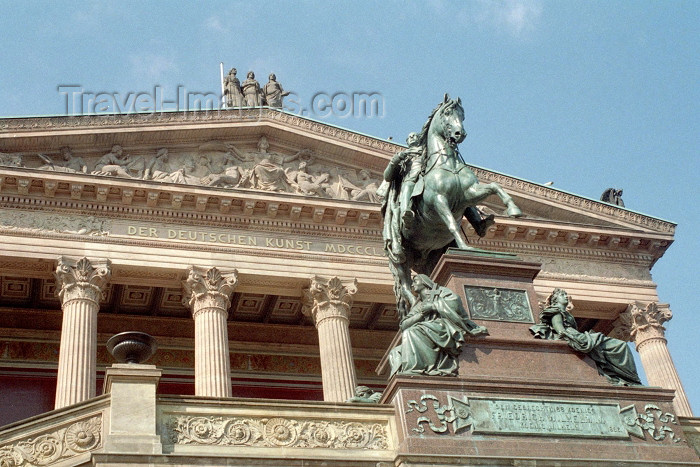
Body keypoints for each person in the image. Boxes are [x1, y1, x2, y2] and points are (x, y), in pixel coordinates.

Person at [530, 288, 642, 386]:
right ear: (555, 300)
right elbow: (560, 331)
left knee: (620, 346)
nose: (566, 297)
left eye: (565, 294)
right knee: (620, 346)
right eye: (562, 295)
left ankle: (626, 378)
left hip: (579, 336)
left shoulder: (565, 313)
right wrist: (577, 340)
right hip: (576, 337)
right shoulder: (555, 312)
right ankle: (629, 378)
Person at [389, 274, 488, 377]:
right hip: (429, 329)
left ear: (424, 282)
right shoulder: (420, 305)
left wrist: (434, 306)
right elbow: (404, 325)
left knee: (412, 332)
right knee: (395, 352)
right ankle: (404, 378)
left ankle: (415, 369)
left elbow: (455, 303)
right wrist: (422, 314)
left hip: (444, 326)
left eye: (415, 281)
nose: (413, 285)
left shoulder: (441, 292)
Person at [382, 132, 424, 228]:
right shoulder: (403, 157)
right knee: (408, 185)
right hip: (411, 179)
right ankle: (406, 211)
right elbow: (387, 176)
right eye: (409, 137)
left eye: (414, 135)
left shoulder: (428, 151)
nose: (412, 137)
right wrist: (397, 159)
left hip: (425, 176)